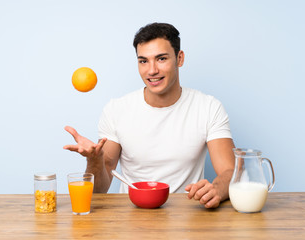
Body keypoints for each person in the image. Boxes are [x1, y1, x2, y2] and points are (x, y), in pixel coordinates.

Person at [64, 22, 235, 208]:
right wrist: (94, 160)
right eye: (143, 61)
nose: (151, 70)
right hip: (131, 221)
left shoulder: (208, 107)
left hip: (185, 217)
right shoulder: (116, 109)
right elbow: (99, 190)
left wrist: (217, 189)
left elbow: (229, 171)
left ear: (180, 58)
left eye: (161, 59)